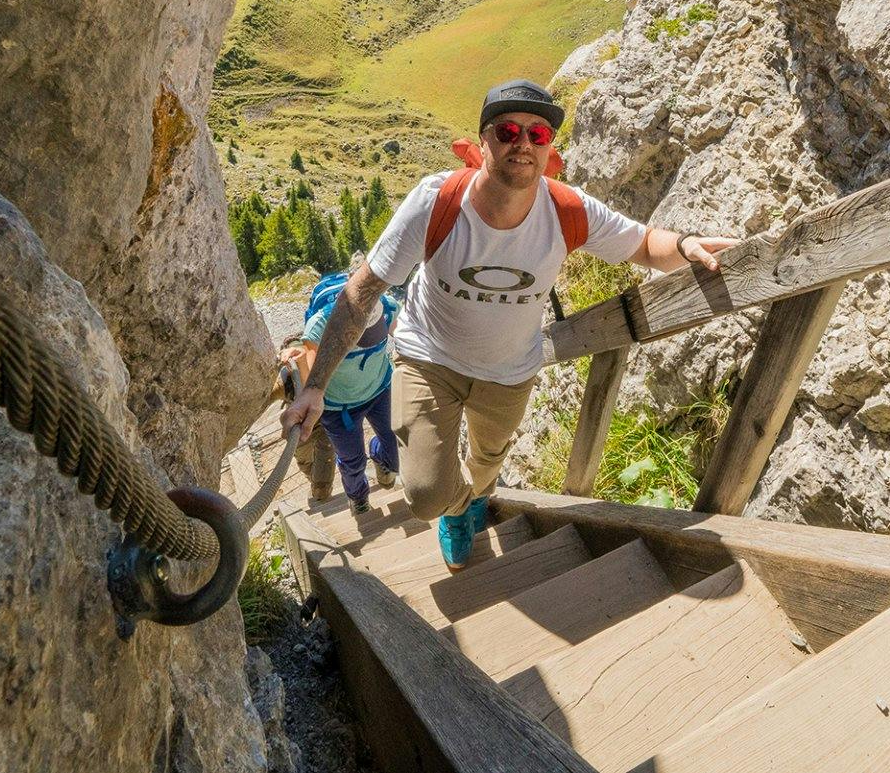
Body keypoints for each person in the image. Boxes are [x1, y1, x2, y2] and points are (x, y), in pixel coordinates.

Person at [283, 78, 735, 569]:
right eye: (507, 131)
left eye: (538, 135)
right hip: (430, 357)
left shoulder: (567, 210)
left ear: (549, 149)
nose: (523, 143)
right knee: (425, 494)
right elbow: (361, 292)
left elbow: (645, 244)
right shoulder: (437, 203)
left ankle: (475, 498)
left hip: (510, 370)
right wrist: (316, 386)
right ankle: (456, 509)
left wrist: (686, 244)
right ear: (482, 143)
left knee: (488, 458)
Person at [280, 259, 402, 513]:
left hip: (380, 389)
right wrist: (298, 360)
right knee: (352, 461)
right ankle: (358, 497)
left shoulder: (388, 307)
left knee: (395, 442)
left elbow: (409, 336)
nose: (364, 341)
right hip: (339, 407)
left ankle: (380, 455)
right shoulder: (321, 325)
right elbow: (313, 375)